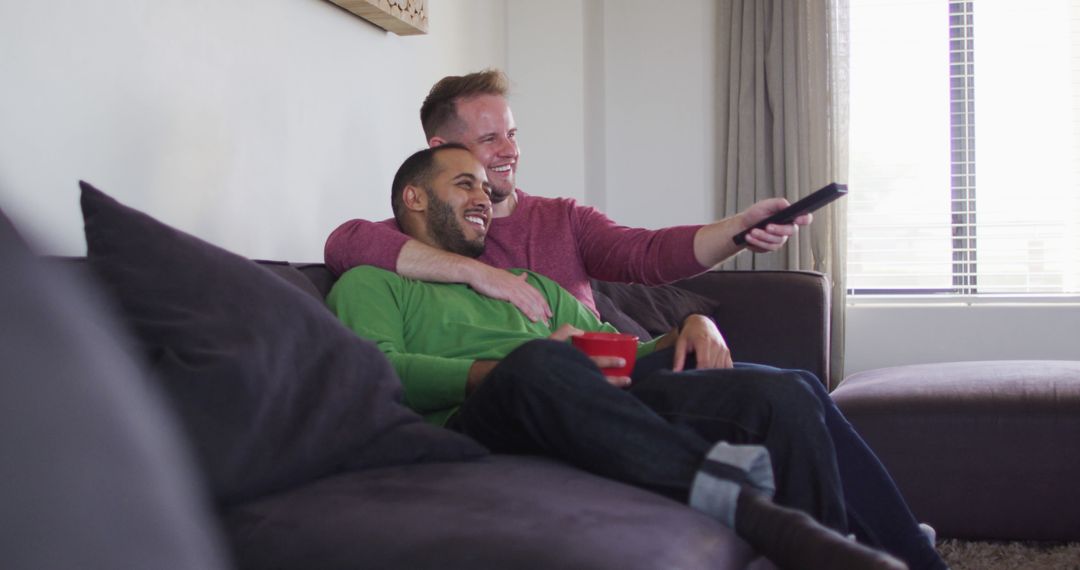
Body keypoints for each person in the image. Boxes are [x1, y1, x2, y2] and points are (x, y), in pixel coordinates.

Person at [327, 145, 921, 570]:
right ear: (414, 196)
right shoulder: (371, 281)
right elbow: (376, 375)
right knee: (538, 362)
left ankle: (894, 557)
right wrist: (503, 370)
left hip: (588, 397)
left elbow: (623, 351)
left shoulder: (529, 284)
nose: (486, 194)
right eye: (465, 183)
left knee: (785, 391)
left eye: (488, 185)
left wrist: (690, 324)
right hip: (479, 420)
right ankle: (741, 501)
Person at [324, 69, 808, 373]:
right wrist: (478, 271)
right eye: (491, 138)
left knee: (794, 388)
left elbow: (646, 253)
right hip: (538, 391)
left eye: (512, 134)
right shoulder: (436, 236)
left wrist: (740, 228)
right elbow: (346, 243)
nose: (510, 150)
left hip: (610, 368)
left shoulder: (563, 218)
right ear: (442, 152)